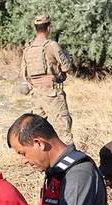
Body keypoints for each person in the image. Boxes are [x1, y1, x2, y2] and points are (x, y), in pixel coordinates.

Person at [20, 15, 74, 143]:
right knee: (63, 129)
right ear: (48, 28)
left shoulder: (28, 48)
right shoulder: (52, 45)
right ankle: (71, 160)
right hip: (52, 93)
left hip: (36, 95)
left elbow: (24, 74)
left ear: (35, 29)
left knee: (37, 130)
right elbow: (66, 67)